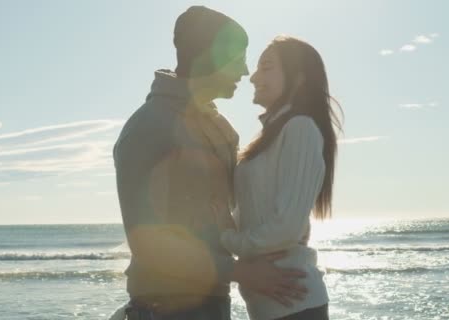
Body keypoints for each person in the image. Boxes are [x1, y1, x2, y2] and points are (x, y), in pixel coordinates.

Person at [111, 7, 307, 320]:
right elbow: (147, 242)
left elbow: (231, 217)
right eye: (240, 57)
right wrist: (242, 272)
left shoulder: (224, 130)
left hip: (214, 304)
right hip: (162, 309)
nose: (245, 71)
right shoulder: (147, 127)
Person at [217, 35, 342, 320]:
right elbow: (254, 211)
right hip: (274, 307)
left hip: (295, 304)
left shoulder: (300, 128)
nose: (253, 77)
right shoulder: (271, 134)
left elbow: (286, 227)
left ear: (297, 79)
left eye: (267, 67)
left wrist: (226, 240)